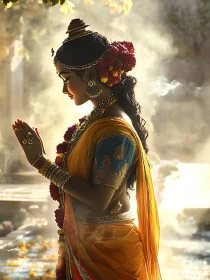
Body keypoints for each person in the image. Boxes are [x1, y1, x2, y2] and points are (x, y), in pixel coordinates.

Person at [12, 19, 161, 279]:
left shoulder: (115, 131)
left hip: (110, 254)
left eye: (66, 78)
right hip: (87, 243)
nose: (63, 89)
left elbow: (99, 200)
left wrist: (42, 163)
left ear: (91, 75)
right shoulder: (96, 120)